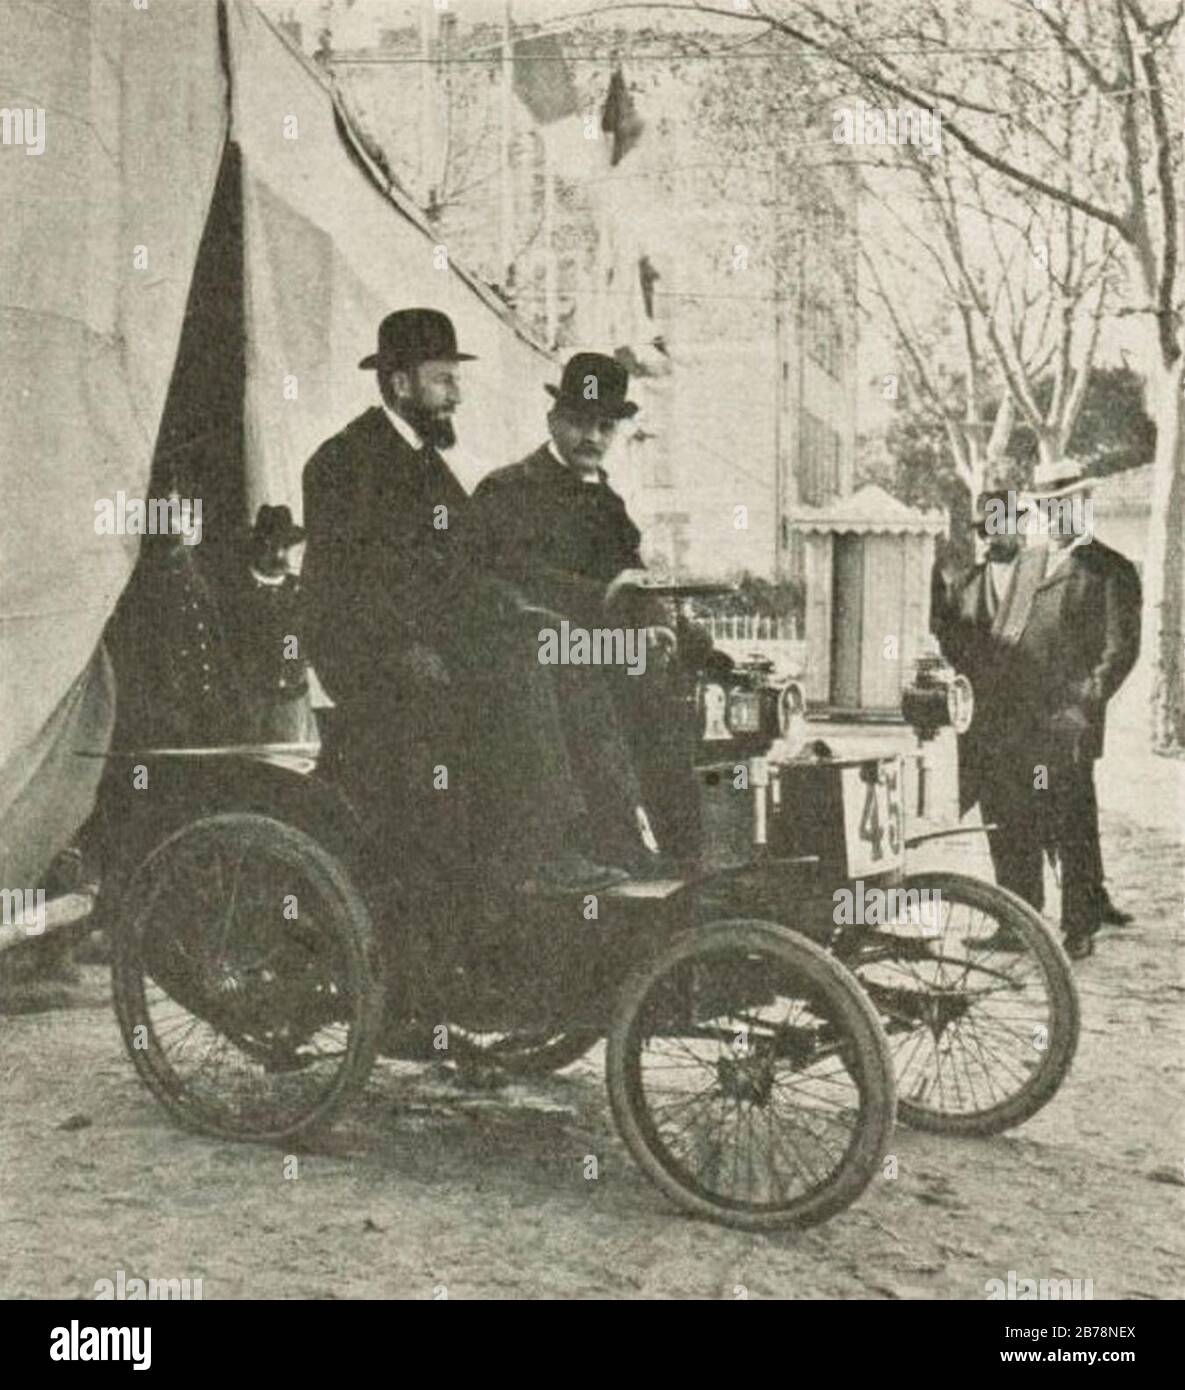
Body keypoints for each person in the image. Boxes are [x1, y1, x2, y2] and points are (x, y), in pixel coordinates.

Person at [300, 312, 635, 916]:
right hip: (365, 648)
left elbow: (463, 566)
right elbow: (352, 585)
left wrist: (526, 610)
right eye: (443, 381)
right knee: (517, 661)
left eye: (457, 380)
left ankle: (601, 831)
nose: (456, 394)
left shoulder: (428, 465)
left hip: (426, 635)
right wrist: (409, 646)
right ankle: (538, 849)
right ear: (400, 385)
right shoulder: (345, 461)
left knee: (558, 644)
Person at [465, 352, 727, 864]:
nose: (593, 438)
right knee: (608, 701)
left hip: (608, 649)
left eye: (605, 427)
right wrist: (608, 600)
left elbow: (637, 577)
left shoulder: (607, 503)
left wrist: (659, 627)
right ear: (553, 421)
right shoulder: (509, 491)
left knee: (693, 695)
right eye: (580, 423)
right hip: (540, 652)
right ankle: (612, 847)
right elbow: (515, 579)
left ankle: (692, 854)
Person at [230, 504, 315, 744]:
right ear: (256, 546)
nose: (279, 555)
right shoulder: (236, 593)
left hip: (293, 702)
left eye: (284, 547)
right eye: (271, 547)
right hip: (249, 703)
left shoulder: (300, 591)